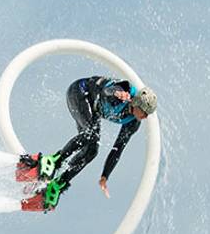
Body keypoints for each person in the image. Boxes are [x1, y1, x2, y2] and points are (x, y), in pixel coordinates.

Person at [31, 76, 157, 210]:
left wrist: (105, 176)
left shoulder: (133, 123)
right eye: (144, 111)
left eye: (148, 114)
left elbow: (118, 149)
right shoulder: (124, 90)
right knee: (90, 135)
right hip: (79, 93)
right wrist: (116, 93)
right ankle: (54, 161)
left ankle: (57, 184)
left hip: (93, 110)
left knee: (92, 150)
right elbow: (106, 91)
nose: (145, 116)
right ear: (137, 103)